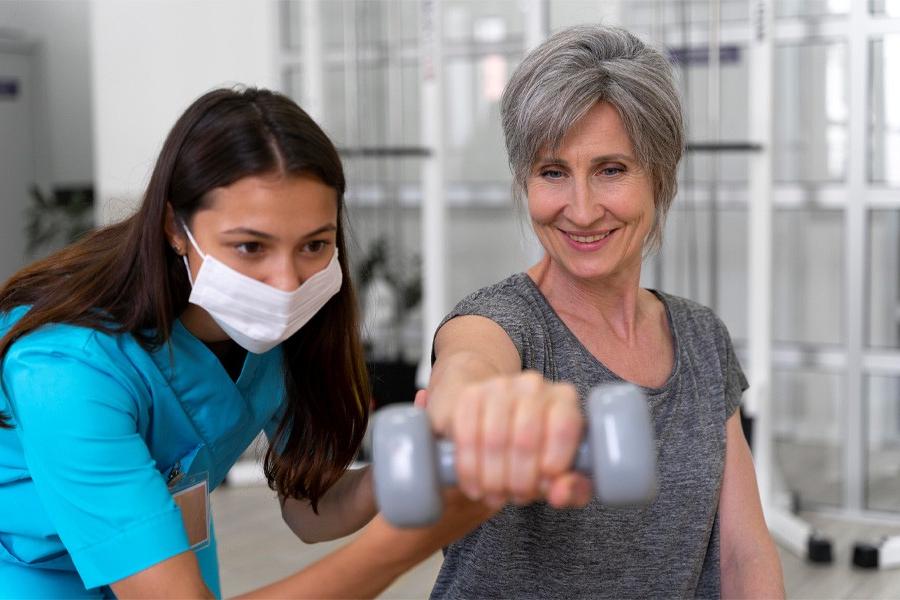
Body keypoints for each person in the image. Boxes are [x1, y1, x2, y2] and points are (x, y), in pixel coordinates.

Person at [0, 87, 491, 599]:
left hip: (164, 535)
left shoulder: (282, 335)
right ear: (174, 227)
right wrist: (404, 545)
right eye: (250, 247)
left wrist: (401, 473)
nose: (286, 282)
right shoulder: (64, 368)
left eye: (314, 245)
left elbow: (309, 509)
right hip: (29, 565)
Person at [423, 24, 785, 598]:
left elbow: (743, 552)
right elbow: (470, 362)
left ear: (659, 177)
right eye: (553, 172)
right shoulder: (503, 321)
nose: (582, 209)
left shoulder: (699, 336)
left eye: (611, 170)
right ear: (525, 182)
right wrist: (468, 406)